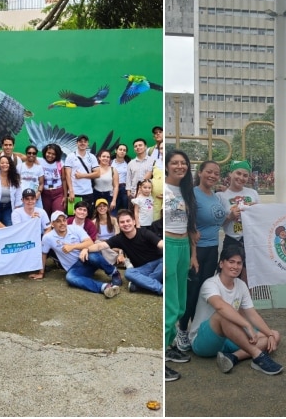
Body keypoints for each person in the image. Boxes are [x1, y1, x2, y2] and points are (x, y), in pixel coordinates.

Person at [189, 245, 283, 376]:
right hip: (203, 341)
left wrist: (270, 334)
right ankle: (258, 357)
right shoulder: (210, 284)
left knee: (274, 335)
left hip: (229, 338)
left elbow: (252, 313)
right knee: (223, 315)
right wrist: (246, 325)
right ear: (221, 264)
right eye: (231, 262)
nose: (235, 266)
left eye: (239, 263)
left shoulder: (241, 285)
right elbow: (220, 307)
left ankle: (232, 357)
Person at [175, 161, 226, 352]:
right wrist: (193, 255)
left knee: (204, 292)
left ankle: (195, 329)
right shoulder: (192, 194)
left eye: (216, 173)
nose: (212, 176)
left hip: (213, 249)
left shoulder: (214, 196)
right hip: (197, 250)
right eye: (209, 172)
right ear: (201, 173)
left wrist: (233, 215)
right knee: (191, 291)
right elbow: (190, 224)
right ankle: (182, 330)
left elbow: (217, 222)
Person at [164, 149, 198, 382]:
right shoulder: (160, 189)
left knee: (180, 305)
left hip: (183, 246)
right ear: (166, 166)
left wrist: (193, 255)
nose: (180, 166)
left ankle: (167, 347)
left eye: (183, 163)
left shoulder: (187, 191)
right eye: (175, 163)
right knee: (169, 307)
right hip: (167, 246)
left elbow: (192, 228)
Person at [36, 211, 122, 297]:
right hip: (75, 267)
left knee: (93, 256)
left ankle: (114, 273)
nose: (62, 223)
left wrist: (73, 247)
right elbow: (43, 254)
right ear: (52, 224)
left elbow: (90, 242)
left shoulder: (75, 228)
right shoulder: (48, 238)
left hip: (87, 259)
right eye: (58, 221)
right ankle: (105, 287)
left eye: (64, 220)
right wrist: (41, 273)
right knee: (70, 277)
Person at [82, 209, 162, 295]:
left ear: (134, 222)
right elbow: (100, 245)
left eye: (128, 221)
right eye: (122, 222)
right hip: (142, 269)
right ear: (119, 225)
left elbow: (161, 244)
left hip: (158, 263)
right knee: (129, 273)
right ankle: (161, 288)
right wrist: (86, 249)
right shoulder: (119, 238)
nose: (126, 224)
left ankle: (140, 284)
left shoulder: (145, 233)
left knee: (166, 263)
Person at [216, 160, 259, 286]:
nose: (241, 178)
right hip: (231, 240)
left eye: (245, 175)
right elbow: (218, 223)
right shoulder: (221, 196)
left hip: (250, 241)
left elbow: (260, 220)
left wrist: (256, 210)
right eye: (238, 173)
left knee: (248, 279)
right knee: (228, 278)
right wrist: (230, 216)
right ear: (230, 174)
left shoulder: (253, 194)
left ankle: (246, 305)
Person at [64, 134, 100, 211]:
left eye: (85, 142)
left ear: (88, 144)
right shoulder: (70, 156)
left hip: (88, 192)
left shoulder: (92, 157)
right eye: (80, 141)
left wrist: (82, 175)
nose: (82, 143)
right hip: (74, 193)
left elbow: (97, 173)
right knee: (72, 215)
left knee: (87, 215)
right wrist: (71, 191)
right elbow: (67, 175)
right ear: (77, 143)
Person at [0, 155, 22, 226]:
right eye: (2, 163)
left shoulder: (15, 178)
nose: (4, 165)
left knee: (9, 226)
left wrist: (17, 208)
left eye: (7, 163)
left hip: (9, 207)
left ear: (10, 164)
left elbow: (18, 194)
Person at [38, 143, 67, 218]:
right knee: (45, 216)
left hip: (58, 194)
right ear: (45, 152)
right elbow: (24, 157)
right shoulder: (39, 161)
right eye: (49, 153)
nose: (50, 155)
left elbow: (64, 180)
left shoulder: (60, 163)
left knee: (58, 215)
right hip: (44, 194)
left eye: (53, 154)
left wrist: (65, 196)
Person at [111, 144, 130, 212]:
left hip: (123, 189)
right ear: (116, 151)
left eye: (124, 150)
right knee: (113, 210)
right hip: (112, 189)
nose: (122, 151)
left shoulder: (128, 163)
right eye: (120, 149)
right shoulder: (110, 162)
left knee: (124, 210)